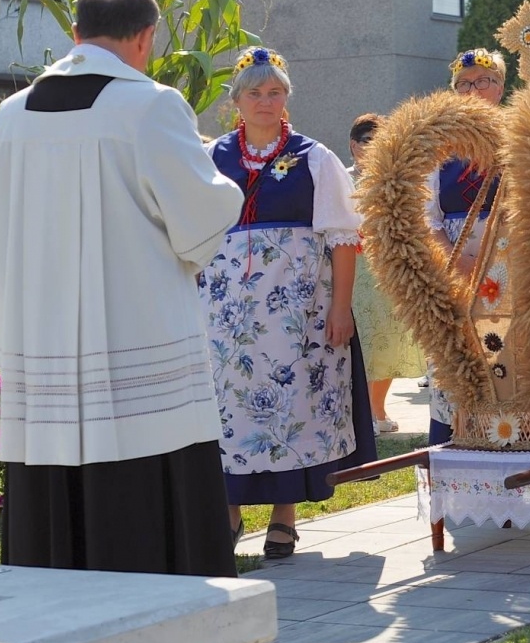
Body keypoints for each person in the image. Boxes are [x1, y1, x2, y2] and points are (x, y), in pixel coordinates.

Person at [0, 0, 244, 578]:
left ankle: (54, 623)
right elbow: (200, 216)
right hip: (135, 327)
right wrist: (221, 181)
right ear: (146, 38)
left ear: (74, 35)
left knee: (54, 478)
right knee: (144, 473)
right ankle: (162, 629)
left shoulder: (12, 115)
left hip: (39, 335)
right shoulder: (151, 105)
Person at [201, 47, 377, 559]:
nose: (265, 101)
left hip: (299, 311)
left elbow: (344, 240)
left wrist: (340, 309)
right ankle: (229, 510)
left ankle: (285, 516)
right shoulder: (213, 159)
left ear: (286, 98)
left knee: (293, 405)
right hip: (227, 315)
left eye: (274, 91)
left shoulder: (314, 158)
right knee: (230, 406)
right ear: (237, 100)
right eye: (254, 92)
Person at [426, 48, 505, 445]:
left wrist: (495, 257)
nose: (473, 90)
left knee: (506, 366)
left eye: (483, 81)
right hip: (453, 270)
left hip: (511, 269)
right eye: (464, 83)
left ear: (501, 87)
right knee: (458, 364)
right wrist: (457, 262)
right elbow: (428, 219)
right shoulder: (438, 148)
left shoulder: (519, 136)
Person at [347, 112, 424, 434]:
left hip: (389, 268)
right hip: (353, 269)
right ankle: (362, 413)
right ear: (354, 146)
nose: (375, 146)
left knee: (388, 340)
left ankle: (377, 410)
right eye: (368, 140)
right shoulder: (340, 177)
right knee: (362, 340)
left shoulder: (396, 178)